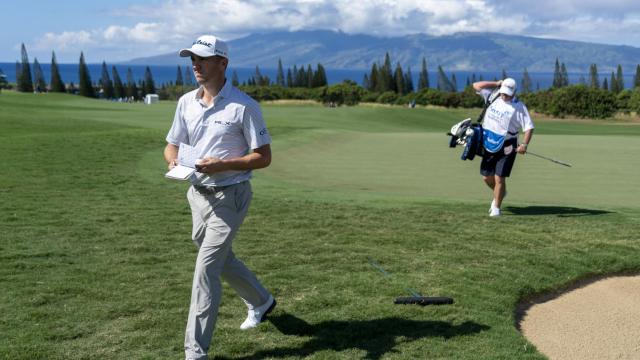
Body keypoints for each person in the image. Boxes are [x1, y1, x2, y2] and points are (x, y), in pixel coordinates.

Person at [163, 35, 276, 360]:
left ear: (222, 63)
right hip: (196, 194)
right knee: (221, 259)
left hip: (232, 195)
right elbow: (171, 144)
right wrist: (171, 159)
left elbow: (264, 156)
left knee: (206, 268)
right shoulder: (186, 102)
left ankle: (194, 353)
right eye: (192, 59)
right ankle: (261, 301)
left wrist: (223, 165)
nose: (195, 65)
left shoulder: (245, 106)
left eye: (203, 58)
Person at [472, 78, 534, 217]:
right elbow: (476, 85)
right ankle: (500, 193)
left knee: (500, 178)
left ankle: (496, 207)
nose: (504, 95)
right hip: (489, 142)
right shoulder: (493, 95)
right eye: (503, 92)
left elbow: (529, 127)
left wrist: (524, 144)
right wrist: (496, 84)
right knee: (486, 177)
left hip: (507, 145)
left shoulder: (519, 107)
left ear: (514, 92)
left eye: (507, 93)